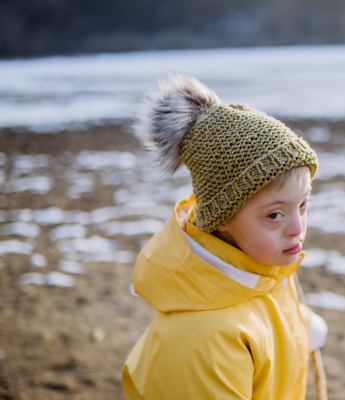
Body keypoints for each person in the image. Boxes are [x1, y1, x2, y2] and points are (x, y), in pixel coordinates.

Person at [122, 73, 328, 400]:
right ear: (222, 219)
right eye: (274, 215)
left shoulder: (264, 272)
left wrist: (294, 328)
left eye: (303, 205)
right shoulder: (203, 340)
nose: (297, 228)